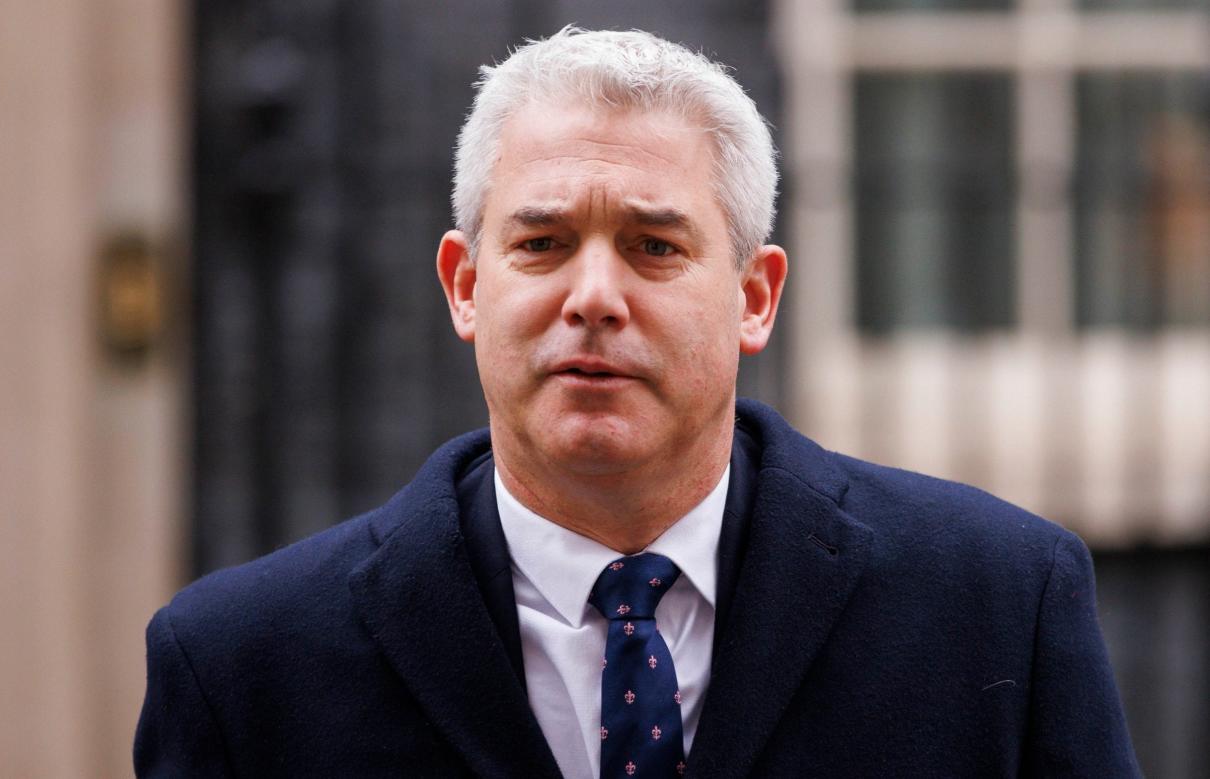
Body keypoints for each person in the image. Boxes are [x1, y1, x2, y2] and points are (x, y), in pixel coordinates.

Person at [135, 27, 1139, 778]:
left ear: (754, 297)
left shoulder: (999, 607)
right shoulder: (242, 666)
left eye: (655, 246)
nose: (595, 296)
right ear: (464, 285)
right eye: (542, 241)